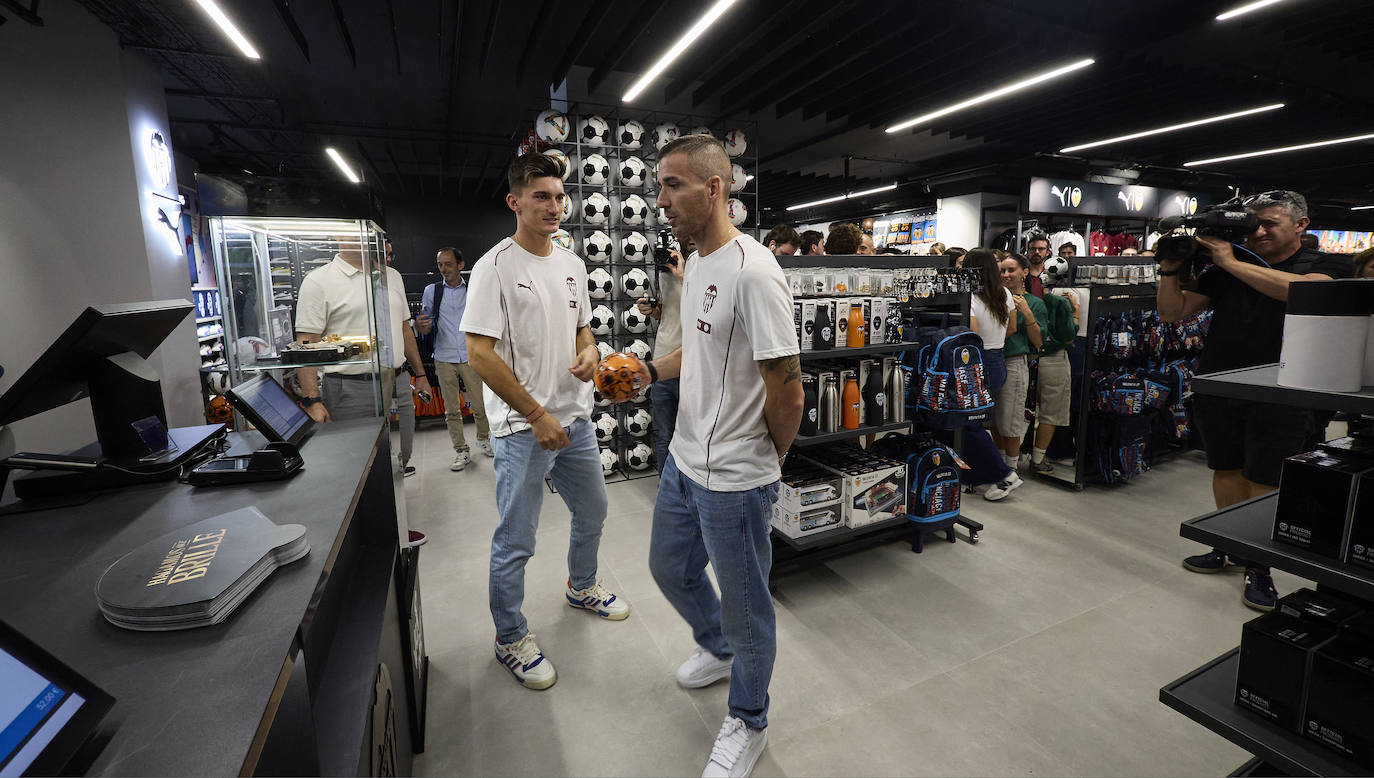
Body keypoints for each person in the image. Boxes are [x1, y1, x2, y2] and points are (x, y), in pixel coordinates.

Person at [639, 134, 803, 778]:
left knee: (748, 609)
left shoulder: (755, 272)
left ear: (714, 188)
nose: (661, 200)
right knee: (668, 568)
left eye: (672, 185)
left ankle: (749, 719)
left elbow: (785, 388)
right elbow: (700, 353)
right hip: (684, 461)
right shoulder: (699, 262)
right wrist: (650, 368)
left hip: (735, 478)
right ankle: (718, 648)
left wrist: (770, 460)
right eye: (658, 186)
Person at [460, 152, 628, 691]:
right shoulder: (495, 267)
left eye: (559, 196)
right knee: (517, 539)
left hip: (574, 419)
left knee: (595, 510)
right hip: (522, 428)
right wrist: (534, 413)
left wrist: (590, 351)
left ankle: (582, 587)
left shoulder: (574, 263)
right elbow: (479, 353)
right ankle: (509, 636)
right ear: (515, 202)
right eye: (542, 197)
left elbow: (584, 329)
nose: (555, 206)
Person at [1159, 190, 1353, 611]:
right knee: (1225, 468)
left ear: (1301, 225)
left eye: (1270, 224)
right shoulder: (1230, 268)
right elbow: (1173, 313)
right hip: (1222, 383)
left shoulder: (1326, 263)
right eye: (1254, 224)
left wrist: (1229, 260)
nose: (1260, 232)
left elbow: (1303, 294)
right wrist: (1169, 270)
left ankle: (1259, 565)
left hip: (1284, 389)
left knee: (1264, 479)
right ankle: (1228, 544)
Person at [297, 232, 432, 542]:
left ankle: (390, 523)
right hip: (351, 385)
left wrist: (419, 373)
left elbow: (403, 329)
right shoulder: (319, 281)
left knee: (401, 454)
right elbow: (305, 344)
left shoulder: (391, 276)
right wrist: (311, 399)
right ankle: (372, 536)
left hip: (398, 379)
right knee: (358, 464)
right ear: (336, 236)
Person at [415, 247, 493, 471]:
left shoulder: (473, 289)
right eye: (440, 264)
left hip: (471, 355)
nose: (443, 269)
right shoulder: (432, 291)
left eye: (448, 264)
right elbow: (426, 324)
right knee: (451, 410)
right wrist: (422, 327)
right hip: (443, 356)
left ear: (461, 265)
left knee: (480, 404)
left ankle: (483, 439)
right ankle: (461, 451)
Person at [963, 248, 1022, 500]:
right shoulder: (1004, 293)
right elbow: (1013, 328)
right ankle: (976, 475)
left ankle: (1004, 474)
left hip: (977, 362)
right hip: (996, 360)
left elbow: (971, 335)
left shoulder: (971, 298)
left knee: (969, 424)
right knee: (977, 421)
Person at [635, 238, 692, 473]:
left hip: (692, 364)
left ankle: (686, 491)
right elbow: (668, 311)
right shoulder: (665, 270)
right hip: (663, 361)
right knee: (664, 434)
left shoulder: (706, 268)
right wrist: (652, 309)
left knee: (690, 435)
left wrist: (685, 275)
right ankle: (667, 492)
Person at [994, 254, 1047, 471]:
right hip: (993, 362)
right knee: (996, 419)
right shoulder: (995, 298)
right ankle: (999, 464)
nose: (1005, 275)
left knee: (1011, 419)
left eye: (1010, 270)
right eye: (1002, 271)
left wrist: (1026, 313)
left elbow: (1038, 342)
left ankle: (1011, 469)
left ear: (1024, 272)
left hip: (1014, 362)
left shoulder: (1034, 303)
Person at [1028, 289, 1078, 474]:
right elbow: (1069, 336)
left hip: (1028, 359)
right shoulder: (1059, 303)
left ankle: (1011, 461)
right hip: (1054, 359)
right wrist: (1076, 313)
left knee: (1022, 411)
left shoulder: (1023, 299)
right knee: (1052, 411)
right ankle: (1038, 459)